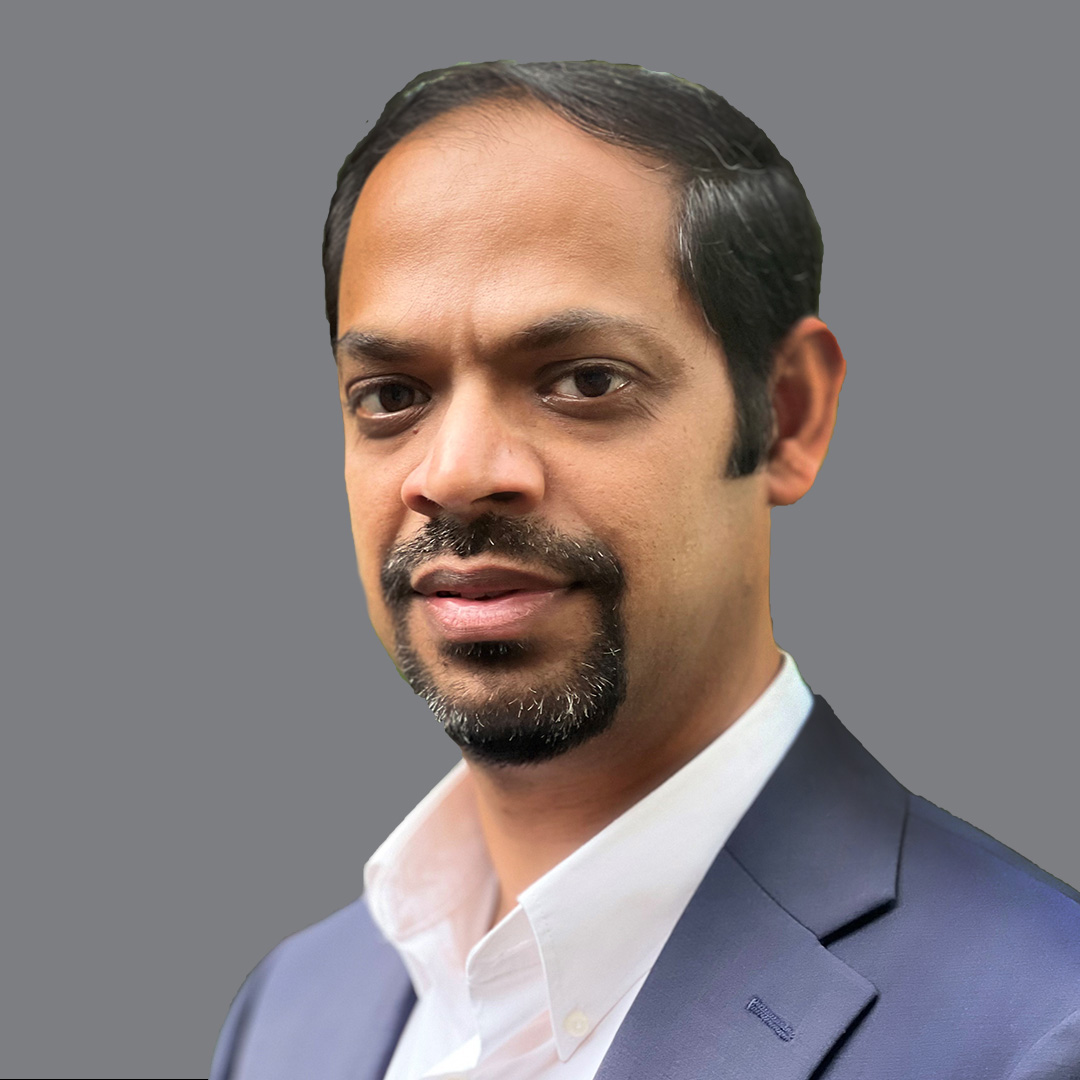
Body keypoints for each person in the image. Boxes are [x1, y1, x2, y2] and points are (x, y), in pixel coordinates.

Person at [210, 60, 1080, 1079]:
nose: (454, 474)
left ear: (787, 415)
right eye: (392, 395)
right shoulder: (289, 1012)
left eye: (583, 381)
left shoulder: (1037, 1030)